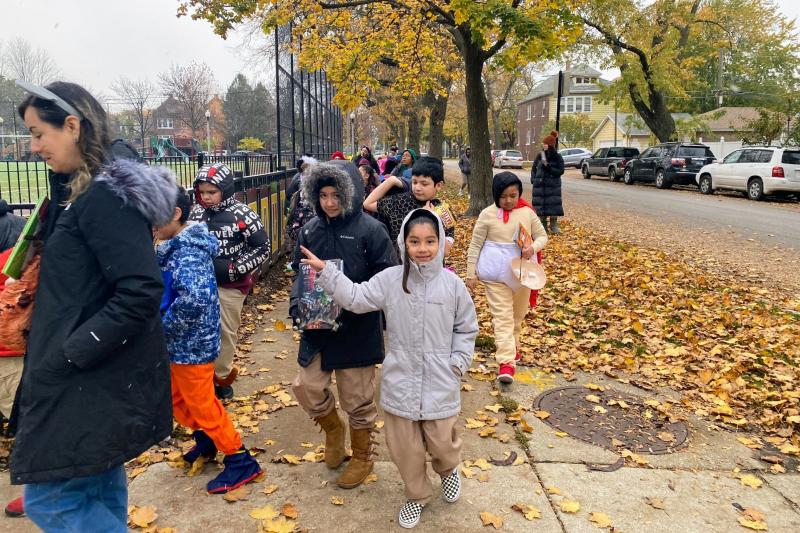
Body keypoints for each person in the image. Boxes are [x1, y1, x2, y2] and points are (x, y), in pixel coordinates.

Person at [10, 80, 174, 532]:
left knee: (50, 504)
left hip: (86, 376)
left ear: (72, 125)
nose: (33, 145)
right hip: (91, 377)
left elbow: (140, 289)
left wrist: (71, 352)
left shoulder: (102, 196)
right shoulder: (77, 192)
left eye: (38, 133)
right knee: (96, 487)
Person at [299, 208, 478, 529]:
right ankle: (416, 495)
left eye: (429, 241)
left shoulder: (452, 286)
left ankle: (449, 469)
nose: (422, 248)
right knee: (405, 450)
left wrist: (458, 363)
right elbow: (356, 297)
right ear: (403, 243)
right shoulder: (392, 280)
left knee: (442, 442)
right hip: (401, 382)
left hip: (441, 381)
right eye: (414, 241)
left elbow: (466, 328)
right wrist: (327, 272)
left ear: (440, 242)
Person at [289, 160, 396, 490]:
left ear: (350, 193)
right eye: (323, 195)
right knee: (307, 386)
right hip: (318, 327)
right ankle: (334, 430)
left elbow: (388, 279)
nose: (330, 202)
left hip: (357, 328)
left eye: (337, 194)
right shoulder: (310, 231)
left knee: (357, 399)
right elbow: (300, 273)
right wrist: (297, 302)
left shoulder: (372, 231)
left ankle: (363, 455)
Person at [155, 187, 262, 494]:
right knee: (180, 400)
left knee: (202, 404)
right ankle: (206, 442)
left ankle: (239, 459)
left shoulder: (188, 251)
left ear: (176, 214)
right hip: (177, 344)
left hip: (192, 345)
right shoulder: (171, 245)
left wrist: (161, 327)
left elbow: (196, 299)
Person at [189, 163, 271, 399]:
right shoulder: (195, 213)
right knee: (199, 330)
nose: (206, 197)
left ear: (224, 190)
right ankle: (201, 377)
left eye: (211, 192)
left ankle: (221, 379)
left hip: (231, 286)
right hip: (200, 284)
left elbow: (262, 247)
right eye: (202, 192)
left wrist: (235, 269)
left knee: (225, 330)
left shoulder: (242, 214)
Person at [465, 172, 548, 383]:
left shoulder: (527, 214)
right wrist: (470, 273)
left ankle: (514, 346)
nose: (509, 200)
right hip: (495, 274)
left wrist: (533, 248)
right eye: (503, 196)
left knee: (517, 317)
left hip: (523, 273)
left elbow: (542, 236)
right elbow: (475, 245)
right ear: (495, 195)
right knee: (502, 318)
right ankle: (506, 363)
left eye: (513, 195)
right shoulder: (487, 214)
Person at [364, 156, 455, 258]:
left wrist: (434, 219)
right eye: (414, 182)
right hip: (400, 267)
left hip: (430, 270)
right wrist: (391, 181)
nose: (417, 188)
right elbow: (368, 203)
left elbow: (446, 251)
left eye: (424, 184)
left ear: (438, 185)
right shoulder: (400, 202)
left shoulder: (443, 211)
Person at [531, 130, 565, 234]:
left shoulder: (557, 157)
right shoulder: (540, 155)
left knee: (553, 205)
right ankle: (543, 226)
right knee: (541, 206)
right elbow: (534, 168)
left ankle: (554, 225)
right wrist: (533, 179)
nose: (544, 145)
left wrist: (549, 167)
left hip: (553, 186)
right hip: (540, 185)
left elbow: (560, 171)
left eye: (545, 144)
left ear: (550, 145)